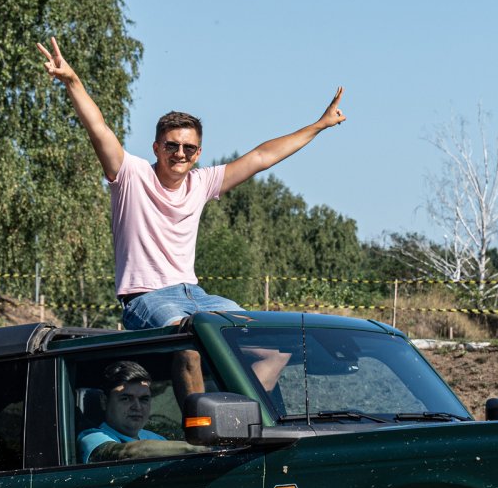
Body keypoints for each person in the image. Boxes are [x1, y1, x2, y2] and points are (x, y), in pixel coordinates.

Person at [38, 37, 346, 330]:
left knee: (260, 339)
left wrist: (319, 125)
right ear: (157, 147)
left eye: (188, 148)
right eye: (171, 146)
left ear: (198, 153)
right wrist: (72, 81)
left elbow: (261, 157)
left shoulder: (203, 182)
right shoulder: (131, 175)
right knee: (189, 337)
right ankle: (197, 385)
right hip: (146, 297)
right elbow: (98, 128)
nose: (179, 154)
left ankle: (233, 389)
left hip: (197, 296)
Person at [78, 360, 200, 463]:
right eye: (125, 398)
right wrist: (197, 448)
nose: (137, 407)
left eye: (144, 399)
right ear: (104, 401)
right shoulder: (91, 437)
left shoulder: (156, 437)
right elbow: (127, 452)